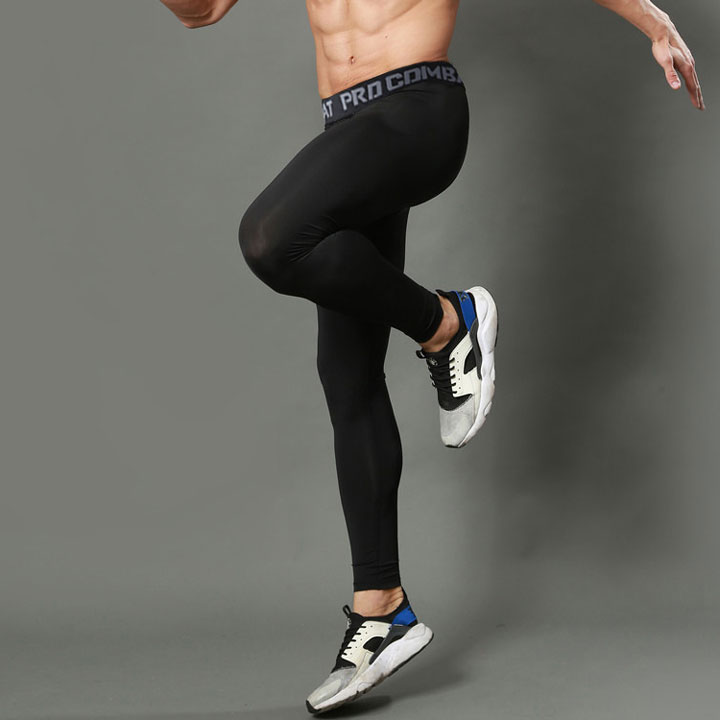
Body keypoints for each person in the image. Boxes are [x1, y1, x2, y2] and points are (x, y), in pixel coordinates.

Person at [158, 0, 704, 714]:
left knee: (271, 238)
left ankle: (447, 323)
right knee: (348, 376)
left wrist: (653, 21)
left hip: (417, 112)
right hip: (346, 129)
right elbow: (200, 11)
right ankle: (382, 609)